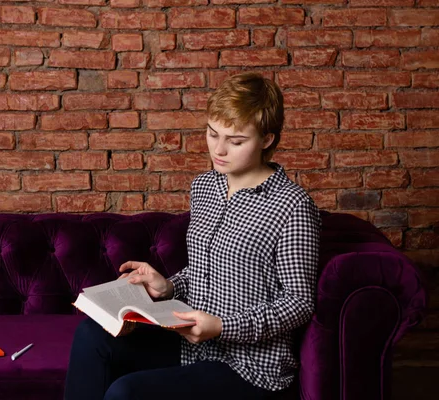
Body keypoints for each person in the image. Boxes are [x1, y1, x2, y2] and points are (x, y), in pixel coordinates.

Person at [64, 72, 322, 400]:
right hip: (190, 347)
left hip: (250, 366)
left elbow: (298, 303)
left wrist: (223, 327)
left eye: (236, 141)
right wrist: (169, 286)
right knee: (92, 336)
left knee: (125, 392)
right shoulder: (205, 187)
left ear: (267, 139)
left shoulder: (292, 205)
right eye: (212, 134)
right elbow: (209, 268)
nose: (220, 149)